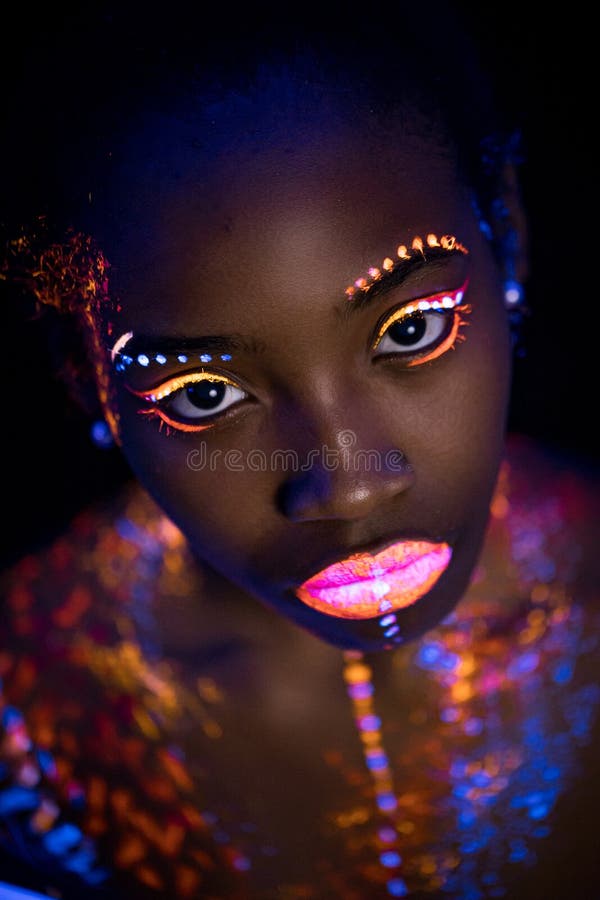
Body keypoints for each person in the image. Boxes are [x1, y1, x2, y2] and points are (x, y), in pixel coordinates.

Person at [1, 6, 598, 899]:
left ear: (507, 235)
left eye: (412, 331)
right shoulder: (30, 729)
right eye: (205, 395)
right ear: (84, 381)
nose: (347, 482)